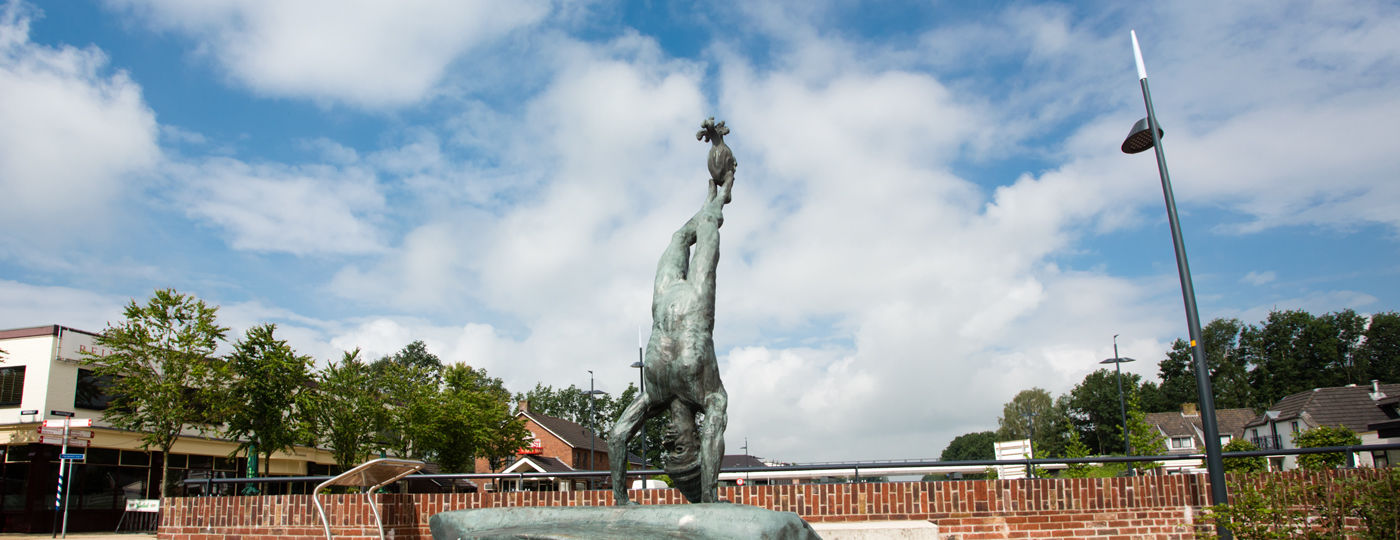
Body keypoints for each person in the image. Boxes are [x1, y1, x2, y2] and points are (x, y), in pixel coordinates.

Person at [608, 119, 735, 505]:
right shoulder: (708, 397)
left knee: (682, 235)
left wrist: (620, 501)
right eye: (680, 451)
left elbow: (615, 438)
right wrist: (709, 499)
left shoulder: (656, 393)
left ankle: (719, 192)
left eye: (670, 453)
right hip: (695, 297)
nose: (670, 445)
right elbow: (714, 433)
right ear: (695, 443)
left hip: (666, 299)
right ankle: (721, 190)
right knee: (707, 223)